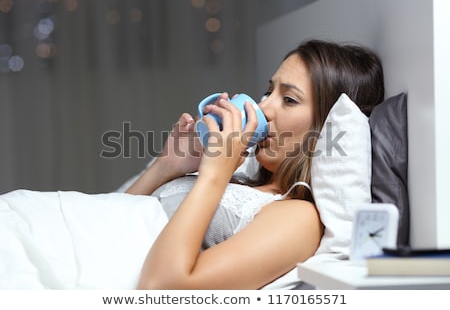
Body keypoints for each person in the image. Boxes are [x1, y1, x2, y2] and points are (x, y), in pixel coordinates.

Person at [126, 39, 385, 289]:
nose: (263, 107)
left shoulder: (299, 218)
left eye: (289, 99)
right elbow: (114, 218)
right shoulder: (238, 179)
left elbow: (162, 289)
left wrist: (213, 175)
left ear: (324, 128)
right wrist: (166, 166)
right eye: (268, 92)